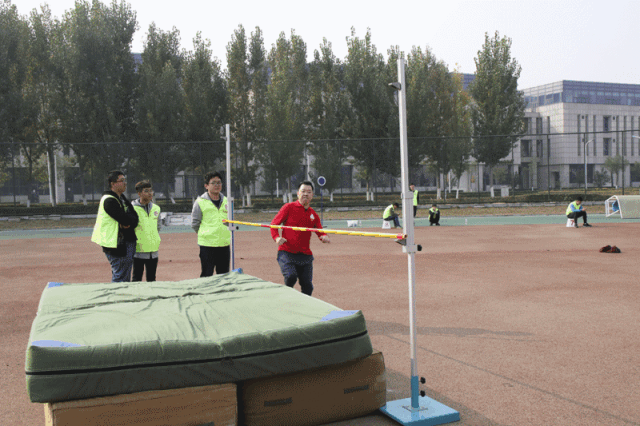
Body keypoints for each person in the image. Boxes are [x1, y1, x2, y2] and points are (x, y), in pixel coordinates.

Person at [271, 181, 330, 296]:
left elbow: (320, 231)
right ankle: (286, 298)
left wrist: (323, 237)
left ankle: (304, 305)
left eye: (309, 192)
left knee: (308, 286)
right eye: (303, 191)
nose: (306, 194)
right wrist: (277, 238)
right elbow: (274, 224)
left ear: (312, 195)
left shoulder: (313, 214)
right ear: (298, 193)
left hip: (305, 255)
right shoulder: (288, 207)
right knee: (291, 277)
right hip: (287, 253)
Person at [91, 170, 138, 282]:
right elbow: (125, 219)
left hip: (125, 242)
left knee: (124, 275)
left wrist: (129, 222)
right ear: (112, 183)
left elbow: (135, 218)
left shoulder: (122, 198)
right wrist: (127, 221)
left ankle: (122, 292)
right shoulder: (109, 200)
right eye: (122, 180)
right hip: (116, 244)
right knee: (120, 277)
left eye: (125, 180)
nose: (125, 183)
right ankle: (118, 293)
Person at [191, 172, 231, 277]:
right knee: (207, 274)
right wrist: (205, 233)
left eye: (219, 182)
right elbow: (195, 223)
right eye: (213, 183)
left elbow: (230, 220)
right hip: (207, 245)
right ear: (206, 186)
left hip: (224, 244)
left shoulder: (227, 201)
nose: (217, 185)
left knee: (224, 275)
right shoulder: (200, 202)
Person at [132, 180, 161, 282]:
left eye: (151, 190)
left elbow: (158, 227)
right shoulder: (132, 208)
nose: (150, 193)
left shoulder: (156, 208)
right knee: (137, 279)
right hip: (138, 251)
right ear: (139, 193)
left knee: (152, 279)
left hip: (153, 251)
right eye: (146, 191)